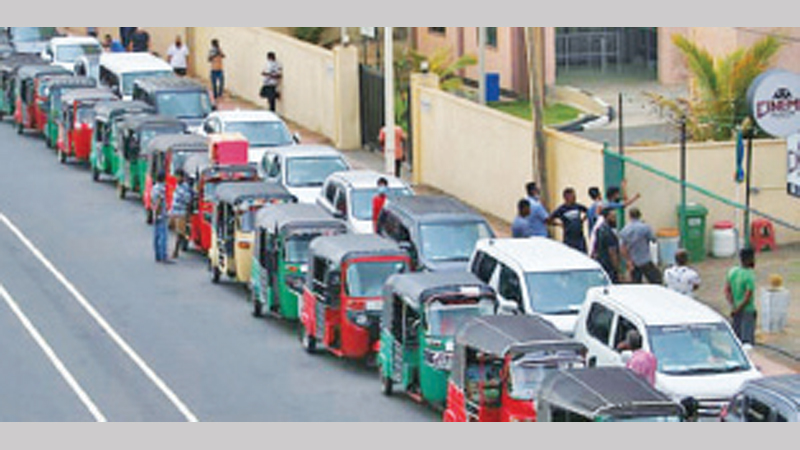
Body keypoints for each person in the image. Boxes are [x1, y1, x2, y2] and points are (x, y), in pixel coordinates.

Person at [620, 208, 662, 285]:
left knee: (636, 284)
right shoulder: (645, 228)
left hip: (633, 261)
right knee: (657, 281)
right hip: (645, 260)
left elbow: (622, 248)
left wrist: (628, 260)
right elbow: (653, 240)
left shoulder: (624, 230)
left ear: (629, 216)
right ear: (639, 215)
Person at [726, 248, 757, 345]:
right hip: (747, 311)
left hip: (735, 310)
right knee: (747, 342)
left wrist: (733, 306)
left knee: (736, 340)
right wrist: (739, 308)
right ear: (750, 259)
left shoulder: (732, 272)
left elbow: (727, 290)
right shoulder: (749, 275)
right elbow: (747, 297)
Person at [550, 188, 589, 252]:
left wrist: (582, 220)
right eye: (572, 196)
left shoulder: (577, 206)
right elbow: (549, 219)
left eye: (574, 196)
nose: (574, 198)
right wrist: (559, 224)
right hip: (569, 238)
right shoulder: (562, 209)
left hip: (579, 237)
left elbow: (588, 211)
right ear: (566, 198)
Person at [594, 208, 622, 283]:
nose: (615, 219)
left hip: (602, 264)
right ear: (607, 217)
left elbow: (595, 249)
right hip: (609, 266)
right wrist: (618, 269)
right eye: (613, 217)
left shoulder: (599, 229)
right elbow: (612, 252)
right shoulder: (608, 232)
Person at [170, 171, 193, 259]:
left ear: (182, 177)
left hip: (181, 212)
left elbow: (188, 200)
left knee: (179, 233)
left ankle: (175, 251)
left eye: (178, 177)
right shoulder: (177, 186)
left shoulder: (185, 188)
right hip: (174, 211)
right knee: (175, 230)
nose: (176, 178)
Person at [151, 172, 170, 264]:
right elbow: (159, 201)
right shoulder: (162, 188)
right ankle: (163, 256)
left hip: (155, 213)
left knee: (156, 235)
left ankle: (157, 255)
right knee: (163, 236)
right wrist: (158, 213)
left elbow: (153, 201)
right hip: (161, 214)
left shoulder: (154, 187)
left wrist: (154, 212)